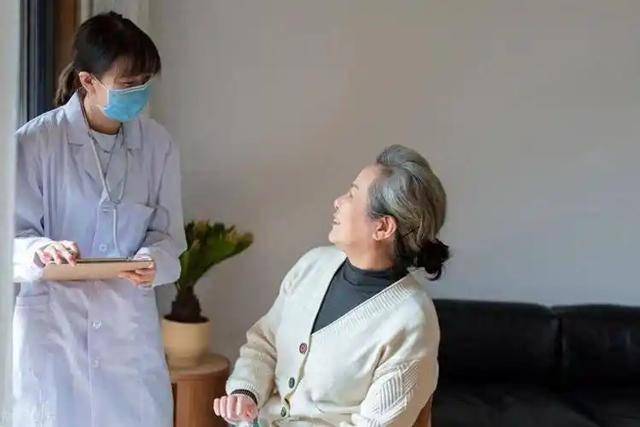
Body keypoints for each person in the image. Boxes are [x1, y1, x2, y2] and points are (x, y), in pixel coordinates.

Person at [12, 12, 186, 427]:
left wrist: (152, 261)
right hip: (55, 334)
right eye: (128, 83)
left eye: (145, 81)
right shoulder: (36, 143)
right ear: (88, 81)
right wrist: (41, 250)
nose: (139, 91)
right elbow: (11, 238)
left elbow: (168, 237)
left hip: (127, 339)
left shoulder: (158, 145)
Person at [214, 145, 449, 426]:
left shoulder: (411, 320)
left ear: (383, 227)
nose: (338, 201)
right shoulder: (313, 265)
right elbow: (264, 343)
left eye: (352, 194)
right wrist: (246, 392)